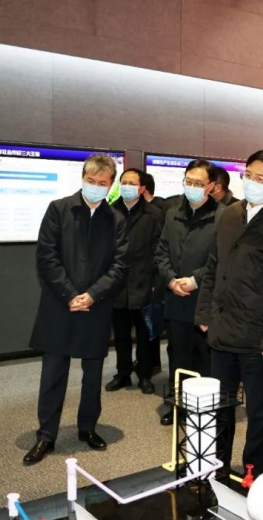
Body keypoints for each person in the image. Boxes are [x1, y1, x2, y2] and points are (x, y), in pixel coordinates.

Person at [195, 148, 263, 478]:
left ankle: (254, 472)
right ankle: (216, 466)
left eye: (261, 178)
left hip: (259, 336)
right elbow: (213, 265)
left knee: (259, 411)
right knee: (220, 406)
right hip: (222, 328)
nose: (251, 182)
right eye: (248, 175)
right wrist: (204, 313)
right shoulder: (230, 214)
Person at [26, 154, 128, 466]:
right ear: (82, 178)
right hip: (60, 305)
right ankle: (46, 434)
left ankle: (88, 428)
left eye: (102, 182)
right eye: (90, 180)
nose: (95, 186)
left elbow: (120, 265)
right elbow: (47, 257)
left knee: (93, 374)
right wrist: (71, 294)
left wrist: (92, 295)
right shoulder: (59, 209)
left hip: (96, 308)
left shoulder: (116, 219)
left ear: (110, 185)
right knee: (53, 374)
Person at [155, 159, 224, 426]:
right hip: (176, 298)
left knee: (205, 356)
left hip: (205, 299)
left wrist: (196, 279)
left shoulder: (223, 216)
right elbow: (161, 250)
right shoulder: (172, 212)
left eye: (198, 183)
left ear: (211, 186)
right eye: (188, 181)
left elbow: (223, 259)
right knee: (178, 355)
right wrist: (171, 280)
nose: (192, 187)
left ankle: (204, 408)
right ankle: (178, 406)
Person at [105, 169, 162, 395]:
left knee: (144, 334)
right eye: (124, 182)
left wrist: (154, 278)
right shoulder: (110, 211)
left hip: (144, 281)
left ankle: (145, 375)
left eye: (132, 183)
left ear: (141, 189)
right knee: (120, 334)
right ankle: (123, 373)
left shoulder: (154, 214)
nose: (126, 186)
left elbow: (159, 248)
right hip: (117, 282)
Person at [140, 171, 164, 376]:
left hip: (152, 277)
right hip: (133, 279)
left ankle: (150, 364)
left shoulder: (157, 212)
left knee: (149, 324)